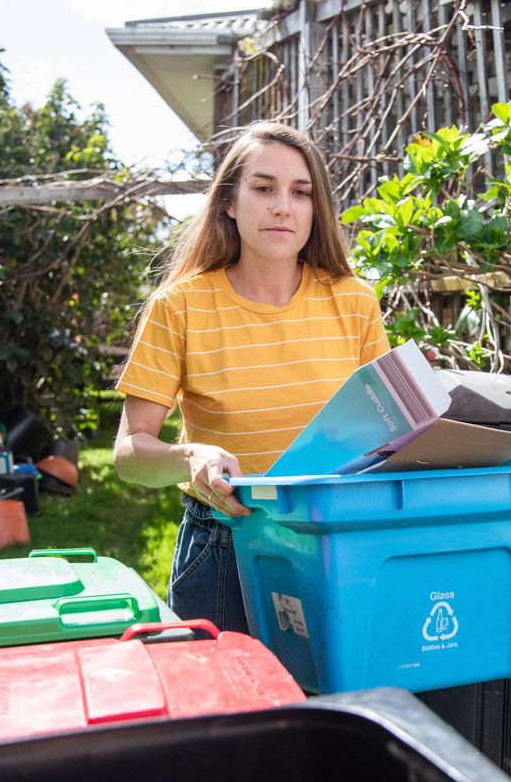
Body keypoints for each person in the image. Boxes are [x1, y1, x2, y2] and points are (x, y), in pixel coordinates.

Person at [112, 121, 390, 633]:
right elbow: (130, 454)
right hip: (226, 550)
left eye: (300, 193)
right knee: (234, 712)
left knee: (335, 713)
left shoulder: (355, 301)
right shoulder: (179, 306)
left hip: (341, 542)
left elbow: (389, 431)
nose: (283, 206)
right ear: (230, 203)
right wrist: (190, 457)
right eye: (263, 188)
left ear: (315, 209)